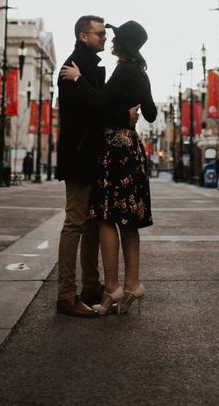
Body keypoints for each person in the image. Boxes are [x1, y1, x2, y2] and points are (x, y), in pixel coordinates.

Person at [61, 20, 157, 316]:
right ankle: (131, 285)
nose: (109, 40)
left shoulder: (122, 69)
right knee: (127, 220)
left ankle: (113, 287)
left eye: (112, 36)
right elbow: (151, 114)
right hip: (132, 148)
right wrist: (131, 111)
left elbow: (100, 103)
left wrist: (78, 79)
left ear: (123, 44)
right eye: (104, 34)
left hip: (114, 151)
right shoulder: (141, 72)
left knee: (105, 218)